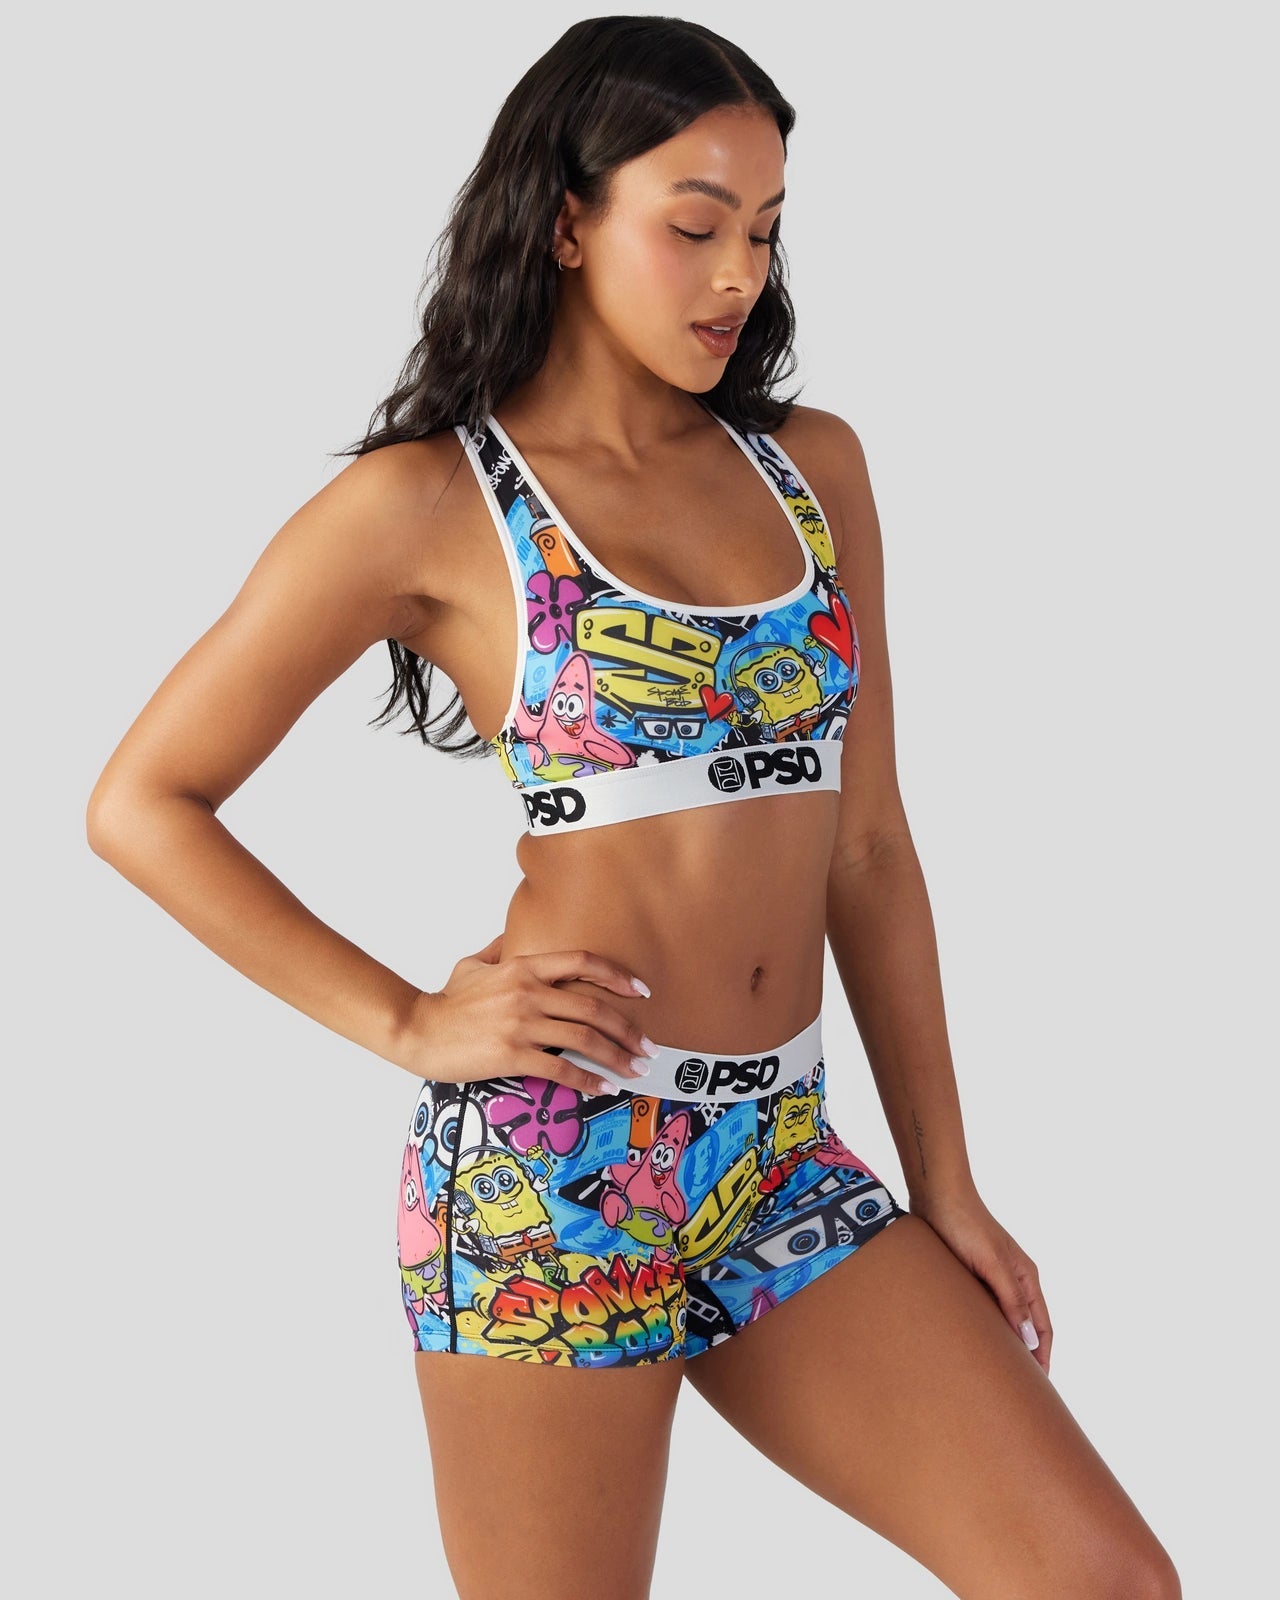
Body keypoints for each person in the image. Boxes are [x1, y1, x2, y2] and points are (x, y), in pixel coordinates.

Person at [85, 16, 1180, 1600]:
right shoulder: (429, 503)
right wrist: (408, 1021)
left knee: (1104, 1581)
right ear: (566, 223)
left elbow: (869, 849)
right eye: (695, 226)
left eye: (766, 230)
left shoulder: (814, 472)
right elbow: (143, 802)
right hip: (551, 1178)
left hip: (781, 1160)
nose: (739, 274)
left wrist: (945, 1180)